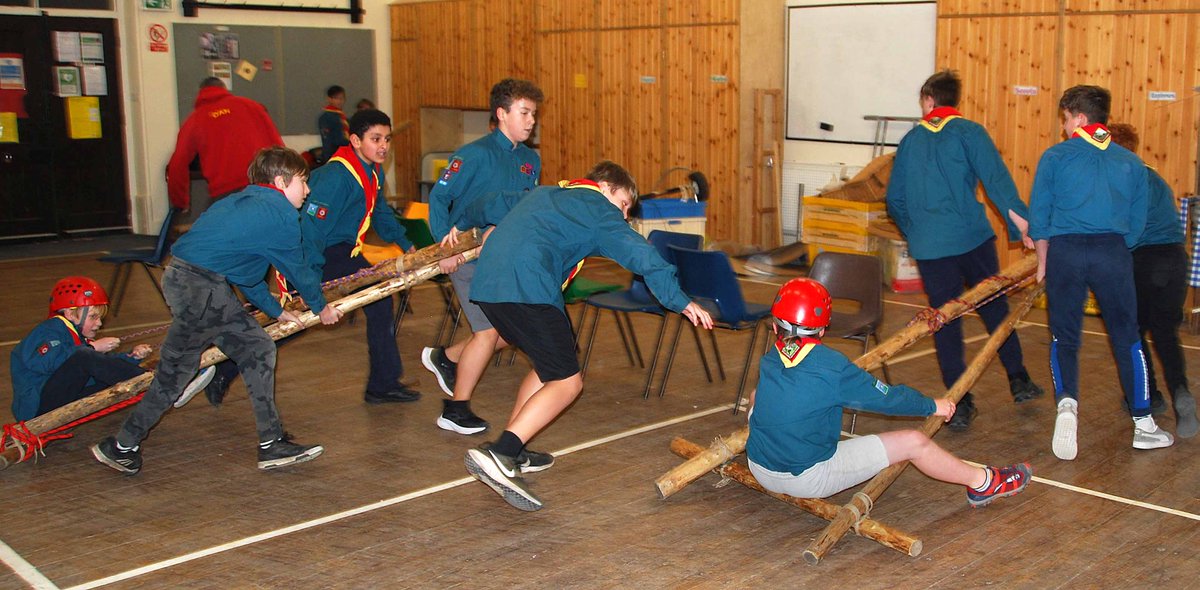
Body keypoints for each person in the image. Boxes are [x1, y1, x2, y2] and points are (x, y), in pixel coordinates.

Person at [442, 160, 714, 512]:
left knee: (546, 369)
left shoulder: (545, 193)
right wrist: (679, 300)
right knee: (568, 383)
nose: (623, 215)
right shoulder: (599, 209)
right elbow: (640, 254)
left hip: (489, 286)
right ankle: (501, 453)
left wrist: (459, 224)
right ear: (605, 189)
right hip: (527, 287)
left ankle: (515, 447)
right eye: (624, 205)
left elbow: (488, 202)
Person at [92, 147, 343, 475]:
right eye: (303, 182)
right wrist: (322, 308)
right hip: (202, 288)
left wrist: (275, 310)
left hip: (186, 280)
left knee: (255, 348)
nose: (307, 190)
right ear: (281, 182)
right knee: (179, 373)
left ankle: (270, 442)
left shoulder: (238, 202)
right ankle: (124, 444)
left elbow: (246, 275)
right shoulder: (281, 213)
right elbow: (299, 270)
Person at [746, 278, 1033, 508]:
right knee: (913, 441)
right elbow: (886, 398)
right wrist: (932, 406)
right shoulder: (832, 367)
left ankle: (771, 448)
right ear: (823, 329)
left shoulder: (771, 357)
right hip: (805, 479)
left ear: (775, 326)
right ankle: (984, 482)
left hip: (759, 466)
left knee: (759, 395)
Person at [886, 70, 1044, 432]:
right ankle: (1018, 380)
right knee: (995, 309)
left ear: (928, 100)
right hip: (973, 239)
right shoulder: (970, 132)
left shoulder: (910, 141)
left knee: (945, 321)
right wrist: (1026, 227)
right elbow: (998, 182)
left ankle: (960, 403)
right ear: (955, 101)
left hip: (930, 247)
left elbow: (894, 199)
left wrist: (917, 232)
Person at [1028, 85, 1174, 461]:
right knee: (1127, 338)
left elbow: (1039, 219)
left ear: (1078, 118)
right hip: (1112, 251)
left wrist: (1045, 260)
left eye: (1064, 119)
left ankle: (1067, 405)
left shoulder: (1055, 157)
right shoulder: (1129, 161)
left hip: (1066, 251)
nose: (1063, 127)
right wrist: (1116, 248)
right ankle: (1143, 424)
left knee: (1065, 336)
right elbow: (1137, 224)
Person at [421, 79, 544, 436]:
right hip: (467, 257)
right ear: (502, 114)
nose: (531, 120)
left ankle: (446, 358)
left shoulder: (530, 159)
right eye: (524, 113)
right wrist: (445, 248)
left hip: (502, 257)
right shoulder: (472, 155)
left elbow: (523, 207)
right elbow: (439, 199)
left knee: (510, 330)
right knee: (488, 333)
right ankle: (455, 410)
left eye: (534, 114)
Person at [301, 108, 419, 404]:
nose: (383, 146)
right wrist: (309, 279)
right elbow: (311, 230)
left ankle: (383, 384)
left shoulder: (373, 171)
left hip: (345, 252)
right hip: (321, 253)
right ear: (355, 140)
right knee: (294, 318)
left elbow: (380, 214)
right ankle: (228, 366)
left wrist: (407, 244)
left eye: (387, 139)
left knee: (379, 304)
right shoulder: (336, 176)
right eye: (375, 139)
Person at [10, 277, 213, 421]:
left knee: (93, 362)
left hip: (63, 393)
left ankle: (167, 381)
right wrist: (93, 347)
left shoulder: (75, 335)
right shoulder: (50, 330)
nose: (99, 324)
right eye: (93, 317)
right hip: (37, 407)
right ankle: (167, 386)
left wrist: (131, 356)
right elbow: (43, 362)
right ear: (71, 314)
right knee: (84, 356)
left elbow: (97, 366)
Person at [1108, 123, 1198, 439]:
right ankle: (1181, 392)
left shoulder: (1125, 179)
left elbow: (1125, 229)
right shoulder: (1154, 177)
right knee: (1165, 333)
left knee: (1133, 331)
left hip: (1144, 260)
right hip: (1174, 259)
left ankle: (1150, 396)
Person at [167, 77, 284, 212]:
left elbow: (177, 165)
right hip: (263, 186)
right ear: (223, 89)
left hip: (226, 193)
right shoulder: (253, 107)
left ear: (200, 93)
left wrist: (180, 203)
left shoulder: (194, 121)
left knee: (213, 227)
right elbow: (279, 149)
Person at [318, 85, 350, 164]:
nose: (339, 101)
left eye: (342, 98)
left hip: (347, 153)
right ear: (329, 99)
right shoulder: (326, 117)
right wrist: (328, 160)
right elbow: (327, 140)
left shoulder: (343, 117)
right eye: (336, 98)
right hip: (334, 155)